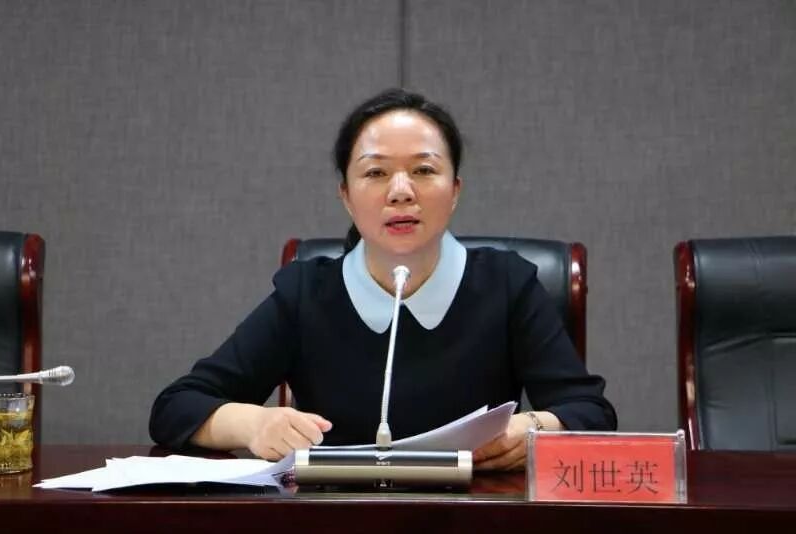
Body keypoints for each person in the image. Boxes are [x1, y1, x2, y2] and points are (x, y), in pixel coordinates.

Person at [149, 88, 617, 471]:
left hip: (474, 516)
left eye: (424, 170)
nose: (400, 191)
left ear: (455, 190)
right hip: (336, 517)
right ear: (346, 195)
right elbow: (176, 407)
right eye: (375, 172)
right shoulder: (307, 293)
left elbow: (591, 413)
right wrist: (254, 425)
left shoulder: (507, 285)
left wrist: (531, 428)